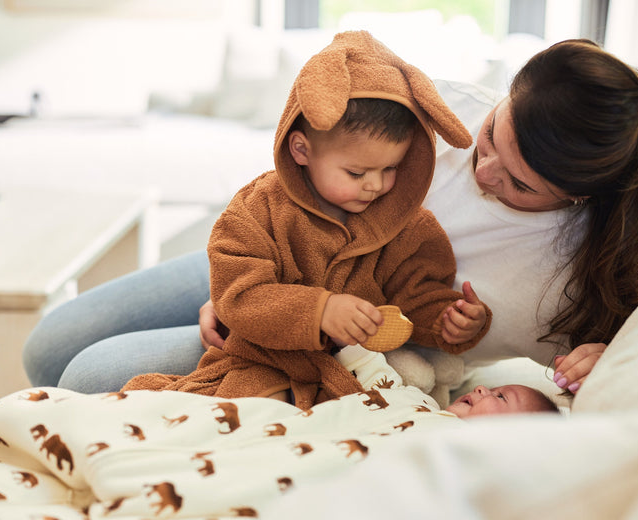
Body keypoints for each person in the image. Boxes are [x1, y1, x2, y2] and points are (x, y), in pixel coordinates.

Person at [22, 38, 638, 398]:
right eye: (489, 138)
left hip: (328, 339)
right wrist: (239, 288)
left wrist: (604, 354)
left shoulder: (581, 274)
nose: (481, 172)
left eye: (520, 184)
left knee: (85, 377)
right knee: (47, 344)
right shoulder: (437, 113)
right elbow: (318, 133)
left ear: (578, 198)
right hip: (268, 264)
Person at [119, 31, 491, 410]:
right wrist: (319, 311)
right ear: (301, 150)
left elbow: (415, 297)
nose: (376, 185)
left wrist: (448, 320)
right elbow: (238, 294)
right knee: (231, 406)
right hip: (256, 357)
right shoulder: (257, 208)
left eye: (391, 167)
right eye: (356, 172)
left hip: (340, 373)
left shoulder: (411, 228)